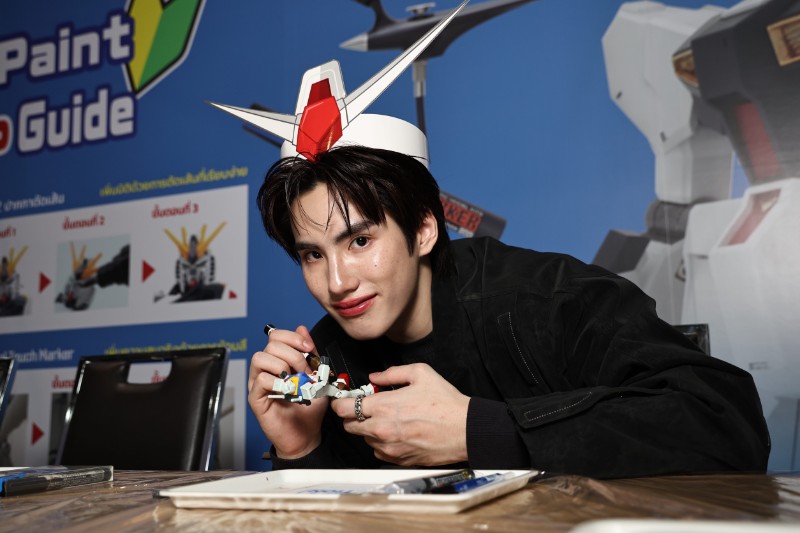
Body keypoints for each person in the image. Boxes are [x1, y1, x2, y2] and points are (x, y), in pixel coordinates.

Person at [247, 144, 770, 479]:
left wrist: (478, 430)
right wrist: (301, 448)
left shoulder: (544, 298)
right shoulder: (326, 356)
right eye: (312, 255)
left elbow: (725, 421)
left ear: (423, 230)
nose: (337, 282)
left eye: (360, 241)